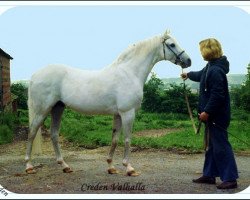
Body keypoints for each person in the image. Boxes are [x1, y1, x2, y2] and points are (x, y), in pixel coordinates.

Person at [181, 38, 239, 189]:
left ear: (208, 50)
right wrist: (188, 74)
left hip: (216, 117)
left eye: (202, 50)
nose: (201, 53)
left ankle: (230, 178)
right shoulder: (211, 66)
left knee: (221, 146)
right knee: (212, 146)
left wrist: (207, 111)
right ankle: (209, 175)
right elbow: (201, 75)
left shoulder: (216, 70)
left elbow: (217, 95)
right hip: (213, 116)